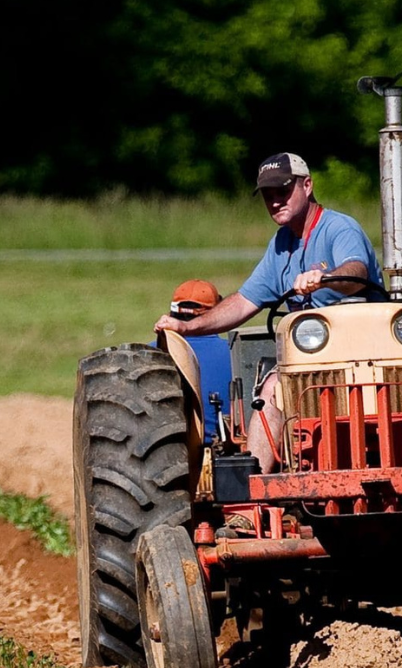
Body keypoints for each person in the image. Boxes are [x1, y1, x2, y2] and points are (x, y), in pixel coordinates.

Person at [153, 152, 385, 472]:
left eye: (283, 191)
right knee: (271, 388)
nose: (275, 201)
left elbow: (357, 272)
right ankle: (255, 495)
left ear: (307, 185)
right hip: (309, 361)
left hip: (365, 353)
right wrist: (187, 327)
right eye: (268, 195)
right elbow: (244, 302)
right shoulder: (281, 245)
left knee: (277, 384)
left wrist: (326, 278)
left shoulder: (338, 228)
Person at [154, 279, 233, 445]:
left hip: (166, 449)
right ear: (217, 315)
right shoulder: (235, 352)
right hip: (224, 449)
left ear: (171, 313)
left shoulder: (150, 353)